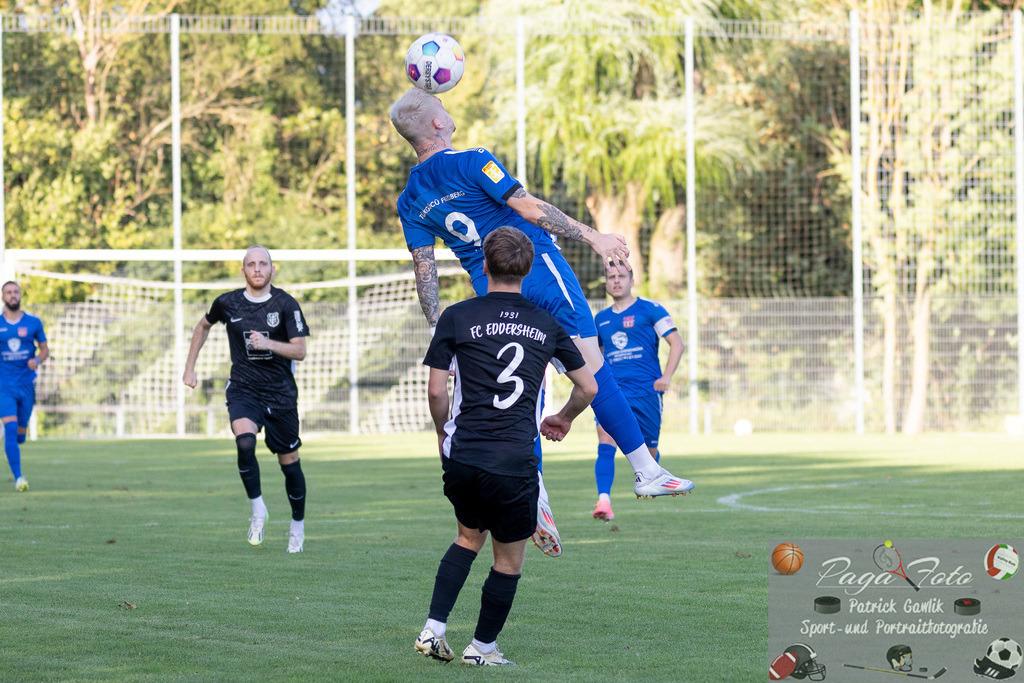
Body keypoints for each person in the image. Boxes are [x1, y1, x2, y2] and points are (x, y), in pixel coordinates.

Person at [389, 87, 694, 541]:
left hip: (490, 290)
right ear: (436, 124)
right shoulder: (473, 159)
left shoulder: (409, 199)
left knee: (523, 393)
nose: (448, 111)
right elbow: (528, 206)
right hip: (538, 270)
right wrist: (594, 236)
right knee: (593, 371)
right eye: (443, 108)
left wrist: (441, 332)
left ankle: (535, 498)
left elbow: (424, 270)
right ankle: (646, 470)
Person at [414, 227, 597, 666]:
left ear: (484, 265)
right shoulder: (546, 323)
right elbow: (588, 386)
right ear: (528, 269)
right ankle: (482, 648)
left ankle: (433, 630)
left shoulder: (456, 317)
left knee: (466, 538)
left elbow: (437, 392)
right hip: (515, 459)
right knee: (508, 561)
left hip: (464, 455)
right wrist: (563, 418)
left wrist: (443, 432)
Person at [182, 246, 310, 553]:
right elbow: (203, 326)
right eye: (251, 264)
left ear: (271, 269)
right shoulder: (227, 303)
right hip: (243, 389)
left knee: (289, 463)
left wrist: (268, 342)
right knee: (244, 442)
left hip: (280, 394)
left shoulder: (286, 304)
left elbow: (300, 350)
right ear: (243, 271)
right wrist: (189, 367)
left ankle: (297, 526)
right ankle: (258, 510)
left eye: (262, 264)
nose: (257, 269)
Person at [591, 265, 684, 521]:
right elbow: (596, 355)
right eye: (611, 277)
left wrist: (666, 377)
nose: (616, 281)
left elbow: (677, 343)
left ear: (632, 280)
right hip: (613, 392)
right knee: (605, 440)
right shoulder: (600, 319)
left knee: (649, 451)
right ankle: (604, 502)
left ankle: (654, 475)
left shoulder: (651, 309)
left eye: (621, 277)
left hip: (646, 392)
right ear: (606, 283)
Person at [0, 282, 49, 492]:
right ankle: (19, 478)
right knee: (10, 428)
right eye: (8, 292)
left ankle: (15, 443)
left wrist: (37, 361)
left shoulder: (33, 322)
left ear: (20, 295)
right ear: (3, 297)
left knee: (20, 434)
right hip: (4, 386)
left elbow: (45, 350)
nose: (13, 295)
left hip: (26, 385)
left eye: (16, 292)